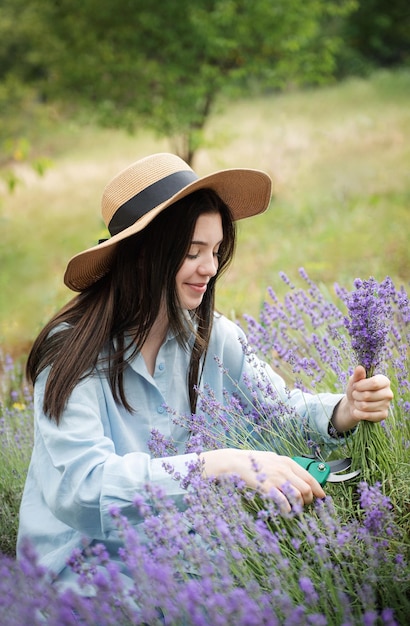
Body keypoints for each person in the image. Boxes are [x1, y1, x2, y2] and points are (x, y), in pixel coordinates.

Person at [17, 152, 393, 590]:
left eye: (215, 251)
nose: (210, 268)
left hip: (175, 557)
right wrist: (218, 465)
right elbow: (83, 489)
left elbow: (281, 409)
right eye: (193, 252)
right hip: (78, 576)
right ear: (141, 256)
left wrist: (344, 410)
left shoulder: (212, 338)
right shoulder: (74, 352)